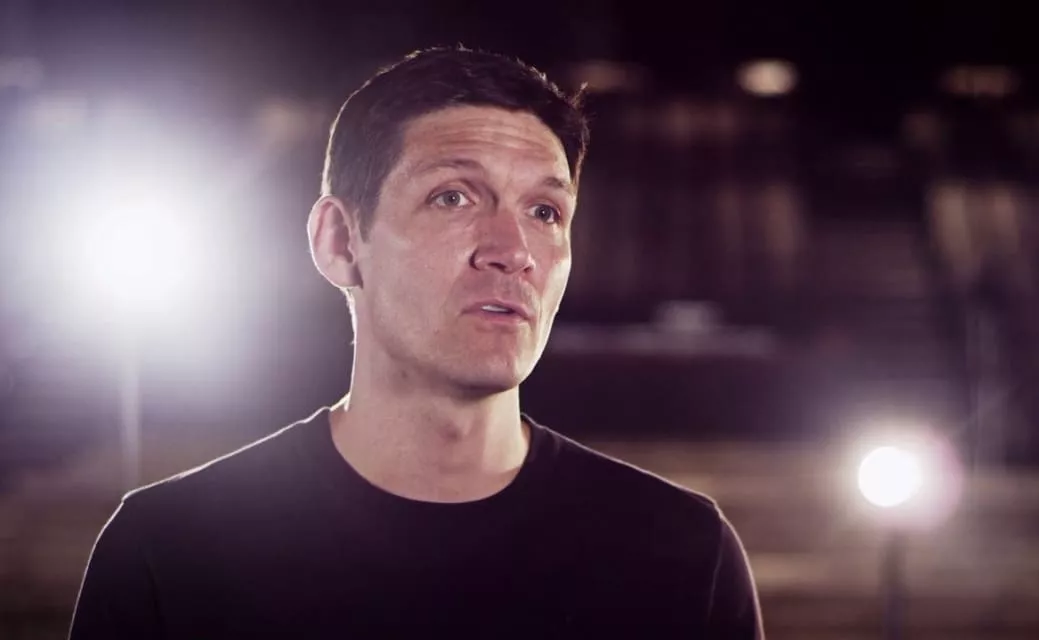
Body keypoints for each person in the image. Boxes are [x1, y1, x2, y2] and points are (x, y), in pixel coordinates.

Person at [69, 46, 764, 639]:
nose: (513, 250)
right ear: (340, 242)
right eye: (452, 197)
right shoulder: (167, 556)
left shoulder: (683, 558)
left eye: (545, 211)